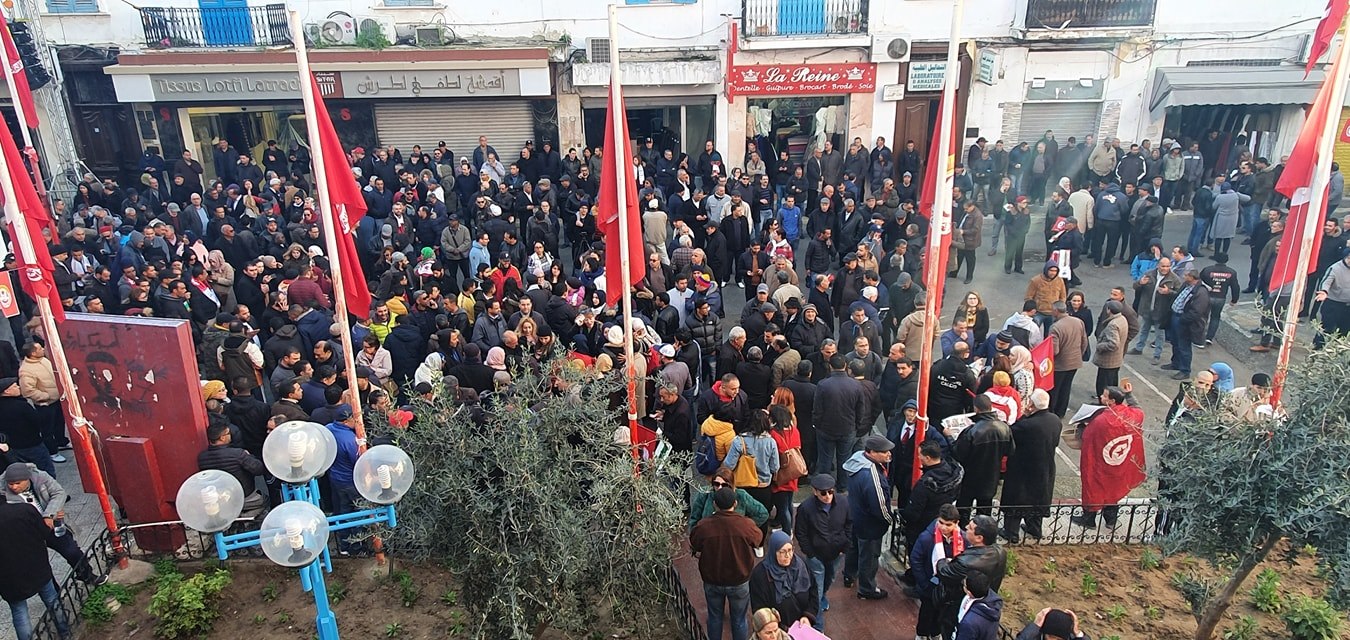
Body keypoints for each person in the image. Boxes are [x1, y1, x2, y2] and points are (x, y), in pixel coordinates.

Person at [4, 462, 106, 585]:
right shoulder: (2, 490)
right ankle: (55, 598)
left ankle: (87, 575)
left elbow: (59, 493)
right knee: (42, 565)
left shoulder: (41, 477)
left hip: (50, 525)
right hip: (27, 532)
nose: (14, 487)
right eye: (11, 484)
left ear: (27, 479)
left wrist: (50, 514)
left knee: (72, 551)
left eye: (17, 483)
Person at [690, 487, 764, 640]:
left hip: (712, 579)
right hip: (739, 580)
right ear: (735, 503)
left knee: (715, 617)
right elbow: (757, 539)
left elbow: (694, 542)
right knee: (739, 620)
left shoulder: (704, 526)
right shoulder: (746, 525)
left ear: (715, 504)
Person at [1071, 385, 1145, 529]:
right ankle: (1111, 520)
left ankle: (1089, 519)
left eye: (1105, 396)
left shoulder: (1100, 421)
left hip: (1100, 463)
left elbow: (1087, 437)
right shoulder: (1131, 415)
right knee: (1113, 490)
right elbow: (1138, 410)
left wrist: (1082, 426)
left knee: (1093, 486)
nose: (1101, 397)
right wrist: (1129, 394)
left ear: (1111, 401)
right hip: (1120, 462)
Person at [0, 499, 70, 640]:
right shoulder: (24, 510)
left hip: (7, 577)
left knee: (19, 612)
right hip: (36, 566)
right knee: (51, 599)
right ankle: (65, 632)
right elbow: (44, 533)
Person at [792, 474, 850, 632]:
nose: (828, 496)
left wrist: (844, 547)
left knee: (829, 578)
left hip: (836, 553)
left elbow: (849, 524)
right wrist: (810, 553)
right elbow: (801, 532)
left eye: (831, 492)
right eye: (823, 493)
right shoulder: (806, 508)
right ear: (815, 492)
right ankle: (818, 627)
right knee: (816, 588)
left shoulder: (843, 503)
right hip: (816, 556)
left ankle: (822, 597)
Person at [999, 390, 1059, 542]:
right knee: (1038, 499)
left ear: (1031, 405)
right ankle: (1034, 528)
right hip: (1045, 467)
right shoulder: (1055, 420)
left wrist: (1023, 415)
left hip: (1023, 469)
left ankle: (1011, 532)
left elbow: (1011, 433)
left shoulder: (1026, 425)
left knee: (1016, 500)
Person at [935, 516, 1007, 638]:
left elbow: (944, 572)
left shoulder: (965, 563)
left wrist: (943, 560)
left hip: (958, 606)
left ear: (979, 538)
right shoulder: (1000, 552)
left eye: (971, 528)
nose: (966, 527)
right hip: (985, 600)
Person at [843, 434, 894, 600]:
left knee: (854, 548)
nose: (888, 454)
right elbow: (879, 505)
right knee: (870, 556)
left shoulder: (856, 461)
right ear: (872, 452)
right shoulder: (871, 475)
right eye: (884, 451)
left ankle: (849, 575)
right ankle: (867, 588)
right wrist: (888, 519)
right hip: (870, 524)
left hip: (855, 516)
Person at [949, 395, 1014, 522]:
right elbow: (1010, 450)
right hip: (991, 476)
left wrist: (950, 437)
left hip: (971, 476)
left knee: (963, 509)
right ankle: (982, 536)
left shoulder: (972, 431)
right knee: (985, 510)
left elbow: (958, 453)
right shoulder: (1005, 428)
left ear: (976, 409)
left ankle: (963, 533)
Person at [910, 504, 966, 640]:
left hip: (950, 588)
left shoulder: (963, 539)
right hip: (930, 585)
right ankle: (922, 634)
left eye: (948, 524)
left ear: (956, 523)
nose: (943, 527)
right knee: (926, 613)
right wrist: (924, 583)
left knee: (942, 615)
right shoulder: (926, 537)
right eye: (941, 522)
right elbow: (915, 559)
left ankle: (935, 633)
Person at [812, 354, 866, 489]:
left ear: (830, 366)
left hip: (826, 428)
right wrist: (857, 425)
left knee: (825, 459)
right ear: (846, 366)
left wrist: (817, 424)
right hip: (848, 428)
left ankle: (824, 486)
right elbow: (860, 408)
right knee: (844, 458)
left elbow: (817, 408)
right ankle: (842, 486)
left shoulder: (823, 384)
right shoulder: (856, 385)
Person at [748, 530, 818, 631]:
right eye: (782, 552)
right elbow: (760, 610)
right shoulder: (760, 575)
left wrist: (808, 616)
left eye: (790, 550)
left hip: (802, 627)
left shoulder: (800, 564)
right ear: (773, 551)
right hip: (776, 632)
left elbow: (813, 590)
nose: (788, 556)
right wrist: (782, 629)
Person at [690, 467, 771, 532]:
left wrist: (745, 527)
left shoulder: (741, 495)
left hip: (734, 539)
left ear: (731, 485)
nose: (720, 488)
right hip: (710, 540)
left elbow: (762, 514)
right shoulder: (705, 494)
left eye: (724, 485)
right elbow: (694, 518)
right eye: (716, 484)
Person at [1165, 269, 1210, 380]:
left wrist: (1183, 320)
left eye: (1186, 275)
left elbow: (1197, 312)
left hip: (1184, 321)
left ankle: (1185, 370)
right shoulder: (1186, 285)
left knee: (1184, 346)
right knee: (1175, 342)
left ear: (1192, 277)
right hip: (1175, 316)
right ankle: (1175, 363)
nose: (1184, 276)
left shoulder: (1201, 292)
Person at [954, 570, 1003, 640]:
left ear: (969, 592)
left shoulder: (969, 623)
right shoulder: (992, 600)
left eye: (964, 585)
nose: (963, 584)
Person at [1092, 300, 1128, 394]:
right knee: (1113, 384)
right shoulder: (1122, 319)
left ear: (1109, 310)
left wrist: (1100, 346)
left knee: (1103, 386)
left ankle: (1103, 405)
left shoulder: (1113, 325)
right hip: (1117, 360)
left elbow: (1113, 344)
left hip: (1108, 361)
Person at [1016, 608, 1090, 640]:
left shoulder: (1069, 637)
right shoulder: (1034, 637)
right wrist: (1036, 625)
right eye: (1051, 637)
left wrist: (1077, 633)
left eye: (1059, 639)